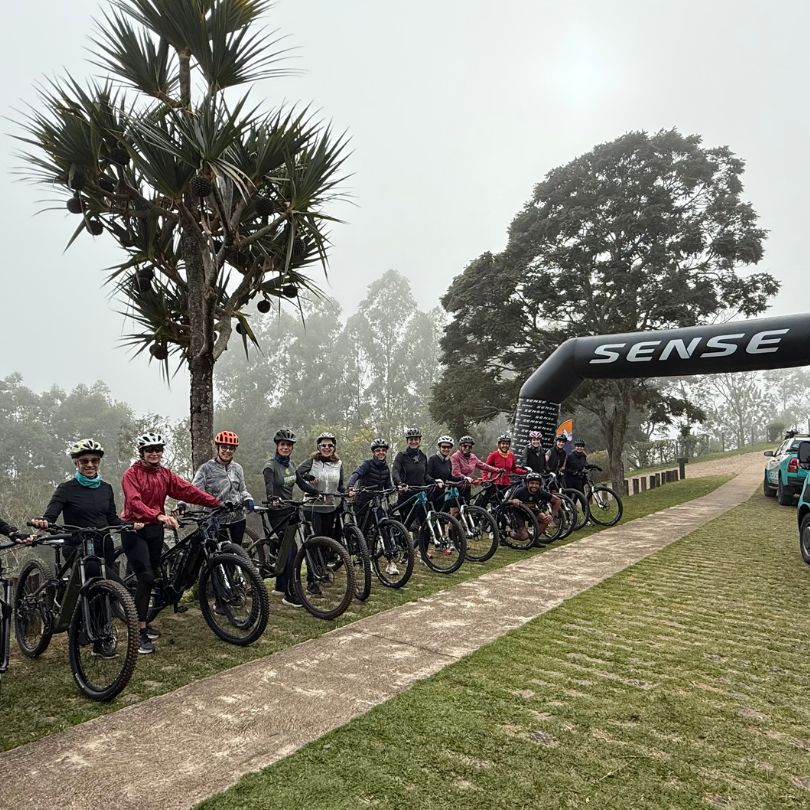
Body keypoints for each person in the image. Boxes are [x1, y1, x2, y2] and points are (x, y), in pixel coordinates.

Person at [121, 432, 220, 655]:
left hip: (155, 529)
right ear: (142, 452)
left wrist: (215, 502)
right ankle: (138, 632)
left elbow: (187, 490)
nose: (154, 453)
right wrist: (158, 516)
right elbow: (134, 503)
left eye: (158, 449)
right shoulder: (131, 474)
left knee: (155, 573)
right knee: (145, 578)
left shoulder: (164, 474)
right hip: (134, 529)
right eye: (149, 450)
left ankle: (145, 617)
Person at [262, 428, 319, 607]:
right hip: (276, 512)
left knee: (286, 549)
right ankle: (289, 593)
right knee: (292, 549)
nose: (286, 448)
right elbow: (269, 486)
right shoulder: (270, 466)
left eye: (289, 445)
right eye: (283, 445)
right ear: (277, 446)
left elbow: (301, 484)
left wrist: (317, 492)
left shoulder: (292, 465)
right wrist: (272, 497)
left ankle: (279, 586)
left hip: (289, 510)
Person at [187, 431, 254, 547]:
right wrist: (182, 505)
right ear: (217, 448)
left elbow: (242, 489)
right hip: (215, 518)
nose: (227, 451)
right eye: (224, 447)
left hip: (237, 517)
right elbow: (193, 491)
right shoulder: (206, 469)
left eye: (231, 448)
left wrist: (248, 498)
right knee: (221, 554)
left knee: (236, 552)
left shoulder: (237, 468)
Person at [296, 431, 344, 540]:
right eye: (323, 445)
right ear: (319, 447)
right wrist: (309, 477)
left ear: (334, 448)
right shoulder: (312, 461)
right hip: (312, 506)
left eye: (330, 445)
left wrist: (347, 492)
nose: (327, 448)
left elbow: (340, 485)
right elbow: (297, 473)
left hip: (329, 507)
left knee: (328, 540)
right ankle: (310, 557)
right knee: (316, 538)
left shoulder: (338, 464)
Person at [392, 428, 442, 528]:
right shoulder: (401, 456)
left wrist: (434, 480)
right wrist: (400, 483)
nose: (413, 442)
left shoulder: (423, 456)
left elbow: (426, 475)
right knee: (406, 526)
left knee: (425, 524)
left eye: (416, 439)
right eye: (411, 439)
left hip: (421, 494)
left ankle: (424, 543)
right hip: (406, 494)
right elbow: (395, 471)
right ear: (407, 441)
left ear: (420, 441)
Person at [426, 436, 466, 515]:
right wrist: (435, 480)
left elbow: (449, 477)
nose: (446, 449)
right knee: (431, 516)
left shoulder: (448, 461)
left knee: (441, 516)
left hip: (441, 492)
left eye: (449, 447)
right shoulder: (433, 459)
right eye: (444, 447)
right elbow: (426, 475)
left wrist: (463, 478)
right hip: (431, 492)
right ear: (439, 447)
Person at [510, 472, 553, 542]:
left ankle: (534, 539)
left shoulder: (540, 492)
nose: (534, 486)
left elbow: (557, 500)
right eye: (532, 483)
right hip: (518, 514)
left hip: (531, 511)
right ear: (527, 484)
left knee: (546, 519)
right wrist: (514, 500)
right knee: (524, 536)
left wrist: (551, 515)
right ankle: (507, 533)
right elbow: (508, 501)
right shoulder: (520, 491)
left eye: (537, 484)